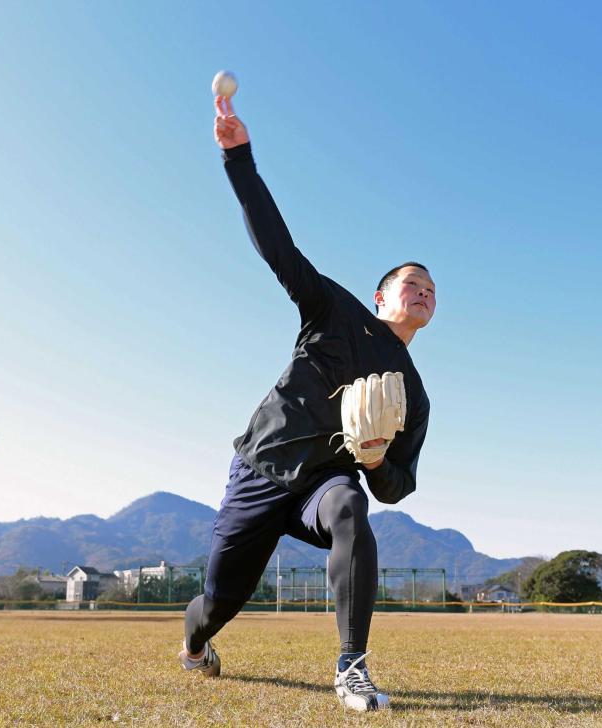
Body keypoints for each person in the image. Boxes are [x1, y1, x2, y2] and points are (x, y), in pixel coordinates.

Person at [178, 91, 436, 712]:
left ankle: (352, 666)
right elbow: (277, 246)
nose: (423, 292)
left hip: (323, 483)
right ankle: (194, 646)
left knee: (351, 506)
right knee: (218, 600)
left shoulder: (413, 393)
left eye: (431, 289)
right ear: (379, 296)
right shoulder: (334, 309)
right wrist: (240, 160)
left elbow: (398, 486)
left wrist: (375, 464)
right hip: (261, 470)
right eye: (411, 283)